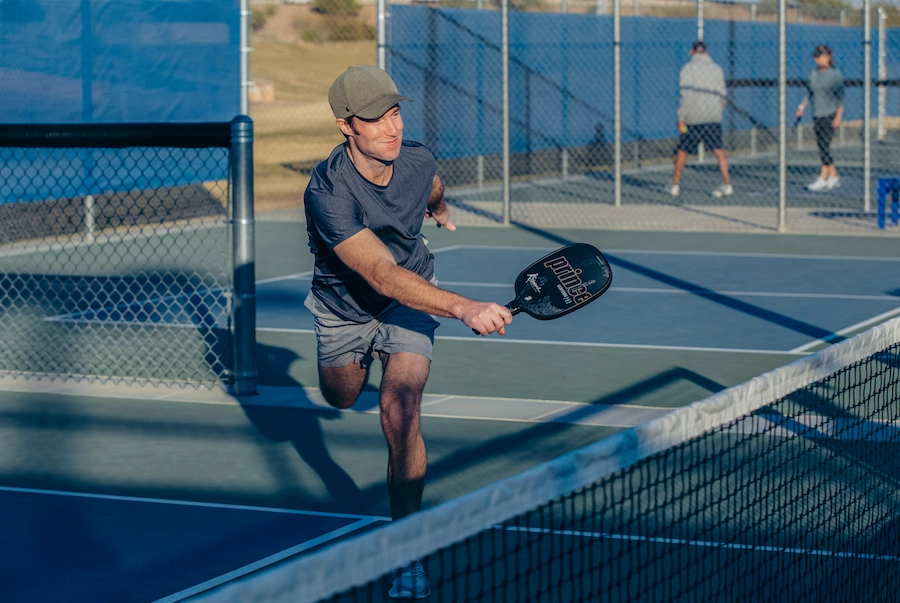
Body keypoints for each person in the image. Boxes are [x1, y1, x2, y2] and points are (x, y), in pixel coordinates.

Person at [303, 65, 513, 600]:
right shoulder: (327, 191)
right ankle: (357, 364)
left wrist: (439, 207)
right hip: (346, 306)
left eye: (395, 113)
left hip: (412, 298)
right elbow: (377, 273)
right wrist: (464, 307)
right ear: (346, 126)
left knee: (400, 410)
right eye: (376, 119)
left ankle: (407, 553)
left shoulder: (414, 158)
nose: (391, 127)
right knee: (340, 396)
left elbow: (432, 184)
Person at [668, 40, 733, 199]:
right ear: (706, 52)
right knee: (719, 151)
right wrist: (717, 110)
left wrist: (681, 117)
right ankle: (727, 183)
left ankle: (675, 185)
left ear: (692, 52)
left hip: (693, 117)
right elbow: (723, 95)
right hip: (712, 117)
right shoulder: (717, 69)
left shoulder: (687, 69)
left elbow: (687, 94)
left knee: (683, 151)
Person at [795, 44, 844, 192]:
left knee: (824, 145)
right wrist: (801, 107)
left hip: (830, 114)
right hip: (817, 114)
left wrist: (838, 117)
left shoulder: (835, 75)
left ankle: (823, 177)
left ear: (828, 57)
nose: (818, 60)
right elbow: (809, 93)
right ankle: (833, 175)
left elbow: (840, 98)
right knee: (822, 146)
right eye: (816, 57)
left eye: (821, 56)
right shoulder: (813, 75)